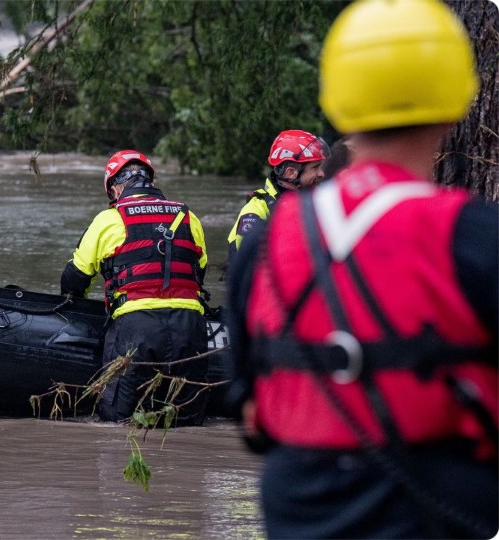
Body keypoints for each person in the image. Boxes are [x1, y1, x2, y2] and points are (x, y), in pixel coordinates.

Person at [226, 0, 498, 538]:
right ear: (455, 104)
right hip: (437, 509)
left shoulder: (261, 245)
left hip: (298, 507)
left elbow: (251, 414)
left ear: (338, 105)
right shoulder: (476, 236)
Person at [60, 150, 210, 426]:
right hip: (190, 328)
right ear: (150, 181)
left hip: (137, 329)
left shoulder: (109, 219)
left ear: (114, 189)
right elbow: (198, 271)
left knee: (119, 422)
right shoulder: (189, 216)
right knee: (187, 422)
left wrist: (74, 314)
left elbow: (75, 278)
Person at [226, 129, 328, 266]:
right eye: (315, 167)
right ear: (291, 173)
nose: (321, 173)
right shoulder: (257, 211)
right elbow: (249, 267)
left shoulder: (317, 202)